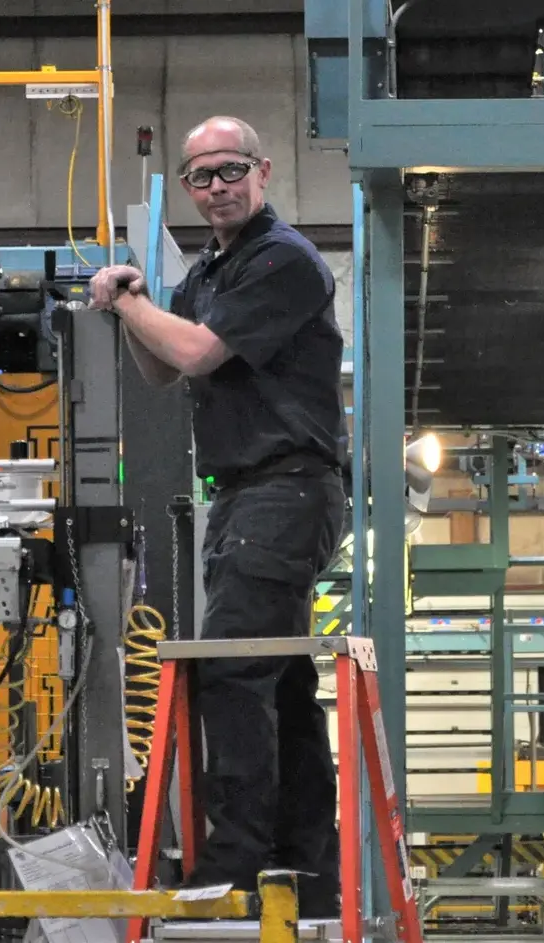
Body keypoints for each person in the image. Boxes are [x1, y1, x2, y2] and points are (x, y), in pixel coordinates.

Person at [87, 116, 346, 915]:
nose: (215, 187)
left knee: (234, 670)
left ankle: (235, 866)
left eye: (229, 170)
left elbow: (197, 353)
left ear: (262, 171)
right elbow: (164, 372)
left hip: (286, 488)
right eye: (200, 177)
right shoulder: (210, 272)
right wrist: (131, 311)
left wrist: (129, 303)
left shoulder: (281, 260)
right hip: (245, 494)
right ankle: (302, 865)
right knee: (280, 680)